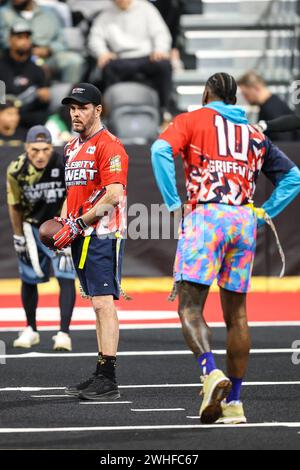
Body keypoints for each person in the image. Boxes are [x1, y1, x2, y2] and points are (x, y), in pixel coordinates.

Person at [151, 72, 300, 424]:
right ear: (235, 99)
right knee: (238, 316)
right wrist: (264, 213)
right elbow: (293, 177)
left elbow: (159, 150)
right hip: (243, 220)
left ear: (207, 93)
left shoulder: (191, 119)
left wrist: (174, 202)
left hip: (206, 217)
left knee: (189, 307)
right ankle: (234, 402)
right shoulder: (253, 133)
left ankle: (209, 372)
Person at [53, 83, 129, 401]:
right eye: (72, 107)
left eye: (82, 107)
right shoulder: (71, 147)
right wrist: (62, 224)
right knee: (96, 306)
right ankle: (101, 371)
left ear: (98, 110)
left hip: (102, 233)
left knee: (103, 303)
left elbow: (114, 195)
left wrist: (80, 222)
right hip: (81, 234)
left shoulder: (109, 145)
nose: (75, 113)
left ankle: (108, 377)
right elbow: (73, 195)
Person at [7, 125, 76, 351]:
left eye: (45, 149)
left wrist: (65, 226)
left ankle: (63, 333)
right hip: (32, 228)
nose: (40, 155)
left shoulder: (64, 163)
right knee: (29, 277)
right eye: (35, 149)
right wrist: (18, 237)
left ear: (51, 147)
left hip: (58, 226)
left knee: (66, 275)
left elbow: (71, 195)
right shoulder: (16, 170)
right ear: (26, 147)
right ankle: (31, 328)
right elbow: (14, 206)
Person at [88, 0, 173, 119]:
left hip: (147, 57)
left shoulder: (147, 9)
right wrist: (102, 52)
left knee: (163, 66)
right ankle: (111, 113)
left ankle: (164, 111)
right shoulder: (105, 15)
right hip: (120, 59)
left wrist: (160, 49)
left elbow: (161, 33)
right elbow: (95, 38)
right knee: (107, 68)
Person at [0, 0, 84, 83]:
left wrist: (48, 50)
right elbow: (4, 42)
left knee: (74, 61)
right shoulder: (3, 13)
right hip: (19, 58)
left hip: (48, 57)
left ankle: (70, 94)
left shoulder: (49, 12)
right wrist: (29, 51)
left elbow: (62, 42)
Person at [0, 22, 50, 128]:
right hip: (4, 117)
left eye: (27, 37)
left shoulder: (38, 67)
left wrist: (44, 96)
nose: (24, 41)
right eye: (20, 37)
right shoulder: (2, 65)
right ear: (10, 39)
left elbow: (44, 104)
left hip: (29, 119)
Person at [238, 71, 298, 141]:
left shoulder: (272, 109)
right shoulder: (271, 105)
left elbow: (284, 142)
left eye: (246, 94)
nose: (245, 98)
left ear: (256, 88)